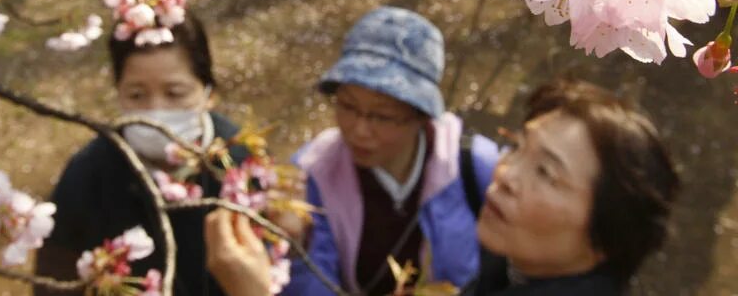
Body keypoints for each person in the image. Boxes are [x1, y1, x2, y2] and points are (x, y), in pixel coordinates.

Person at [206, 78, 679, 296]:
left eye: (546, 173)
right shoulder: (510, 261)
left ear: (607, 234)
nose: (506, 174)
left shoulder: (462, 166)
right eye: (518, 149)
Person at [282, 7, 499, 295]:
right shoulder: (313, 172)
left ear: (422, 116)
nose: (358, 130)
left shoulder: (473, 164)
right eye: (347, 106)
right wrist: (295, 247)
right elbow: (313, 282)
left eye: (382, 116)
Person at [33, 12, 246, 295]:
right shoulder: (86, 177)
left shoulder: (240, 159)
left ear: (209, 93)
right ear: (118, 93)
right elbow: (55, 282)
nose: (155, 113)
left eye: (175, 93)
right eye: (136, 95)